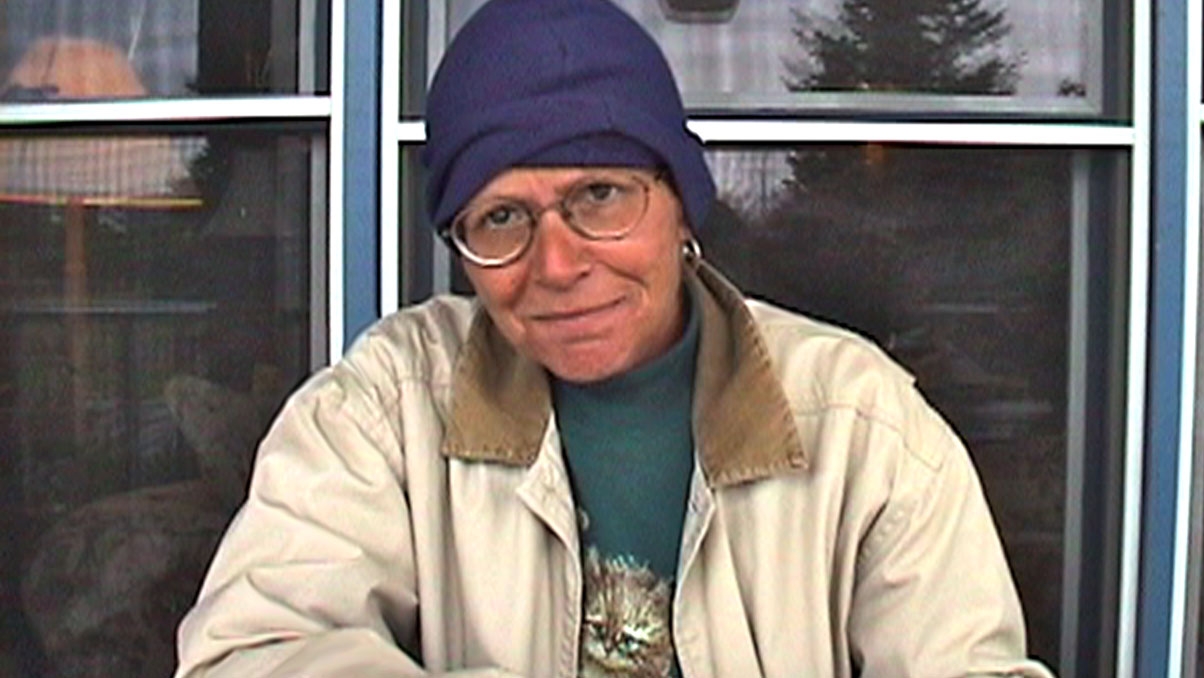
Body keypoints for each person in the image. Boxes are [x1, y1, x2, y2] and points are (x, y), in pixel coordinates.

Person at [174, 0, 1055, 676]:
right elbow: (247, 651)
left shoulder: (860, 425)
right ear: (460, 248)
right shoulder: (384, 409)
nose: (555, 264)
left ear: (680, 205)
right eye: (502, 216)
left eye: (600, 196)